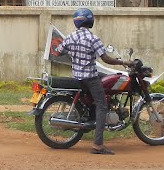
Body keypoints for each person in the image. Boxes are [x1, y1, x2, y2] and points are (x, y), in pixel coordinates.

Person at [52, 8, 129, 155]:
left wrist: (72, 53)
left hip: (78, 76)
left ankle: (92, 114)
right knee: (102, 105)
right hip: (90, 78)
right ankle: (98, 145)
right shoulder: (93, 39)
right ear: (89, 21)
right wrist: (123, 61)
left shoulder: (70, 37)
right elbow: (105, 59)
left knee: (104, 80)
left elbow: (57, 51)